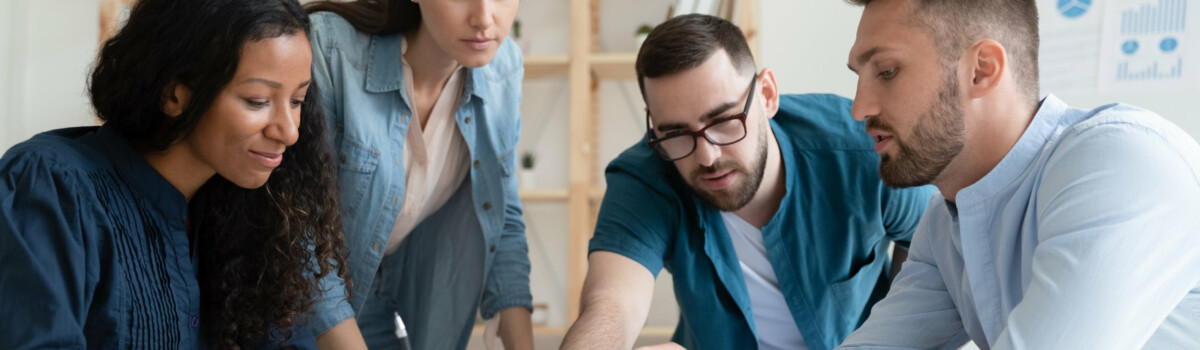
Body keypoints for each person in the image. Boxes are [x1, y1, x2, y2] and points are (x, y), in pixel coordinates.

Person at [560, 14, 936, 350]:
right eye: (675, 132)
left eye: (723, 121)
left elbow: (931, 252)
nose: (706, 156)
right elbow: (611, 304)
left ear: (767, 95)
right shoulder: (646, 174)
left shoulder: (863, 150)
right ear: (653, 123)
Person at [839, 0, 1200, 348]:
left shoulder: (1120, 164)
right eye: (860, 77)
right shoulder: (942, 226)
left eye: (886, 71)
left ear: (982, 70)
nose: (859, 109)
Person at [0, 0, 350, 348]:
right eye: (258, 100)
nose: (289, 132)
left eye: (297, 101)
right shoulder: (51, 186)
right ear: (174, 94)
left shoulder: (252, 217)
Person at [301, 0, 533, 349]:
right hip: (294, 311)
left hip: (379, 305)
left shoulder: (503, 68)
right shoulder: (331, 48)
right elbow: (300, 233)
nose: (484, 18)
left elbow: (502, 220)